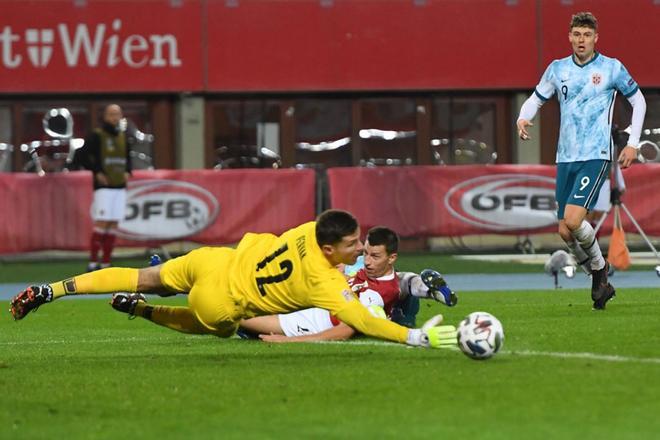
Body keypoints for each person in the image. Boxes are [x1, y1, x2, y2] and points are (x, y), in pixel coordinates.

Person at [9, 209, 456, 349]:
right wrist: (414, 336)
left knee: (142, 274)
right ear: (327, 249)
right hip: (222, 299)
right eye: (353, 243)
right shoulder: (327, 284)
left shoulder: (308, 229)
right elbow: (366, 322)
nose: (359, 248)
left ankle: (55, 288)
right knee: (220, 327)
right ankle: (144, 311)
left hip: (214, 260)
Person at [516, 12, 646, 310]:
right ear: (570, 37)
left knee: (574, 221)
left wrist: (633, 144)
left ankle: (599, 273)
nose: (581, 40)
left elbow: (638, 100)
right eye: (576, 35)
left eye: (587, 35)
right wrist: (523, 117)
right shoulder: (558, 69)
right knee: (564, 230)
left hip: (596, 154)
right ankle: (600, 277)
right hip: (566, 156)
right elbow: (536, 98)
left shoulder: (611, 68)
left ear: (595, 38)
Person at [236, 226, 457, 343]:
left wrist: (289, 341)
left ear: (392, 258)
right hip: (314, 299)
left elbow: (346, 329)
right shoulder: (366, 270)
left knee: (235, 314)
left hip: (314, 320)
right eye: (366, 253)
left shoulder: (379, 294)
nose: (368, 261)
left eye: (375, 256)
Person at [73, 104, 131, 271]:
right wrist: (96, 171)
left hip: (119, 186)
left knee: (113, 223)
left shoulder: (123, 137)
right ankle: (92, 262)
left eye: (117, 114)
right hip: (103, 187)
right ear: (105, 116)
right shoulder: (97, 136)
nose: (114, 117)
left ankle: (106, 262)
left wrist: (128, 171)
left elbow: (128, 158)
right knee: (102, 223)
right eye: (111, 114)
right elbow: (81, 155)